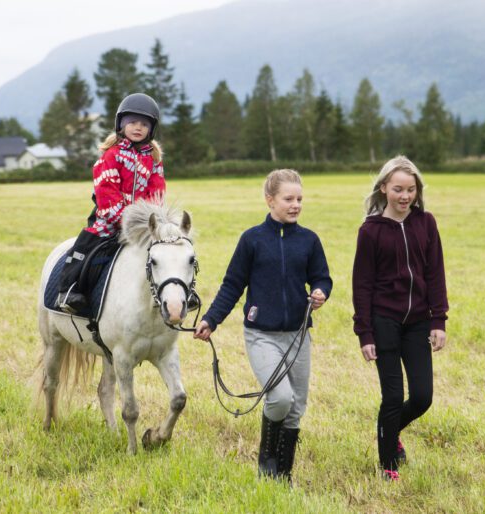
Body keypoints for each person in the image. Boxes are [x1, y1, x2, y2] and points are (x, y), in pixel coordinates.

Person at [193, 169, 332, 483]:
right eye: (288, 199)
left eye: (299, 199)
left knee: (296, 405)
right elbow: (232, 285)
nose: (295, 204)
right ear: (270, 200)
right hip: (261, 335)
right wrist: (211, 319)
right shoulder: (252, 239)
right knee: (280, 398)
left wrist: (322, 291)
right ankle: (266, 465)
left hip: (298, 336)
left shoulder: (309, 240)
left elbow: (322, 277)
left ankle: (284, 475)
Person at [351, 156, 448, 481]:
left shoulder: (426, 223)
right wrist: (365, 333)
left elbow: (435, 272)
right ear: (384, 189)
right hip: (384, 322)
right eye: (398, 189)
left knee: (422, 397)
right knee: (392, 397)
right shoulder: (370, 231)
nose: (405, 196)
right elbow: (362, 284)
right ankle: (388, 465)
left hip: (419, 321)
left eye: (411, 189)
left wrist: (438, 320)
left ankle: (388, 429)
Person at [56, 93, 164, 314]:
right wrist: (125, 220)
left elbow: (157, 193)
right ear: (121, 124)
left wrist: (151, 220)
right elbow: (107, 194)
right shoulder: (110, 156)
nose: (138, 127)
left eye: (144, 124)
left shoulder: (153, 160)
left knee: (170, 249)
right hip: (110, 219)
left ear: (151, 129)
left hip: (143, 225)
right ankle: (69, 290)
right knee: (86, 244)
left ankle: (177, 294)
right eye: (132, 122)